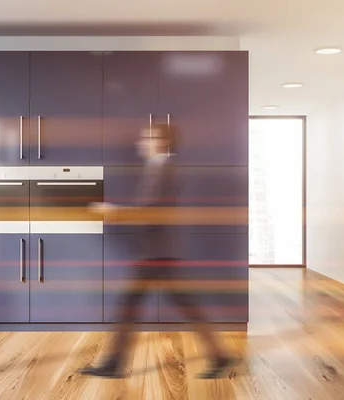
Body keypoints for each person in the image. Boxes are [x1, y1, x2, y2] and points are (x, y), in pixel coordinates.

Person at [79, 122, 238, 379]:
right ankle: (219, 356)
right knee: (183, 304)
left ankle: (113, 363)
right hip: (160, 251)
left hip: (156, 252)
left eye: (147, 138)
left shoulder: (163, 168)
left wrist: (112, 212)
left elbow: (150, 211)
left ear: (161, 141)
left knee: (132, 305)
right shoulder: (161, 167)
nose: (141, 142)